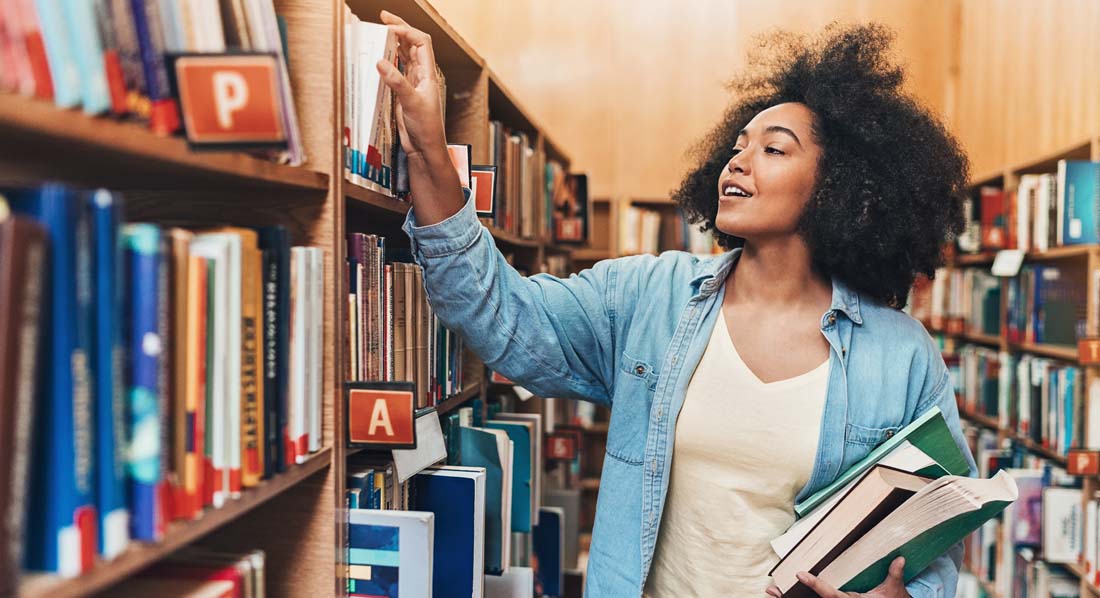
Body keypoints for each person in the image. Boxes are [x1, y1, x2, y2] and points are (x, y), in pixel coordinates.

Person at [376, 10, 977, 597]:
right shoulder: (649, 297)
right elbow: (499, 316)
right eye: (737, 146)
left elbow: (937, 529)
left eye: (775, 149)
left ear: (838, 188)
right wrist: (430, 147)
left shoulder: (901, 356)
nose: (737, 161)